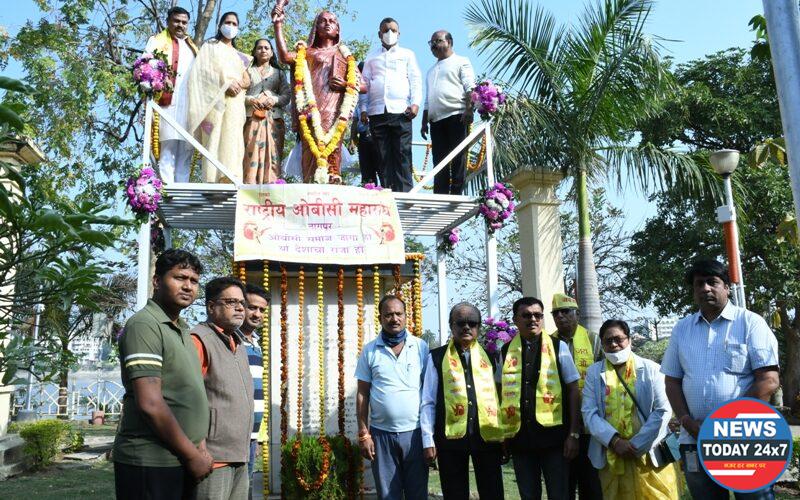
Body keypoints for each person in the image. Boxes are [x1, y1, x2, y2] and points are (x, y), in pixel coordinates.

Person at [661, 259, 780, 500]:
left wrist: (725, 423)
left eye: (712, 282)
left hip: (743, 437)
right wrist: (685, 419)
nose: (705, 288)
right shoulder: (682, 329)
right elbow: (672, 381)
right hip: (694, 438)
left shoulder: (750, 323)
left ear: (727, 287)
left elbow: (768, 380)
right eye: (699, 284)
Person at [113, 249, 212, 499]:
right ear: (157, 281)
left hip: (180, 458)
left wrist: (198, 444)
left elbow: (186, 393)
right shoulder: (145, 325)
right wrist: (192, 455)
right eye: (179, 278)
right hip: (150, 460)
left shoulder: (180, 329)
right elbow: (150, 403)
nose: (188, 286)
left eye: (194, 281)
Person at [582, 319, 679, 499]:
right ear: (602, 343)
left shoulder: (651, 369)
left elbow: (663, 410)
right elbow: (589, 413)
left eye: (619, 339)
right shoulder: (594, 373)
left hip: (649, 453)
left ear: (629, 340)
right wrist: (615, 441)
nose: (613, 344)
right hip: (612, 453)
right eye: (608, 340)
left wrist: (635, 445)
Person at [272, 1, 365, 183]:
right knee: (310, 152)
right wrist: (278, 24)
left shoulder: (344, 56)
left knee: (332, 150)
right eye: (323, 21)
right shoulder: (306, 53)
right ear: (316, 27)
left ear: (338, 29)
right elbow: (283, 57)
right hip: (310, 112)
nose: (328, 23)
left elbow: (363, 86)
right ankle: (309, 192)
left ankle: (332, 193)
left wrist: (346, 84)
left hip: (335, 112)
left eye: (332, 21)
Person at [500, 296, 581, 500]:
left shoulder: (558, 347)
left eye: (538, 315)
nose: (533, 319)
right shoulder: (505, 351)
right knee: (528, 495)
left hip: (554, 439)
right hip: (520, 440)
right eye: (526, 315)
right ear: (515, 319)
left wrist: (573, 434)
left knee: (559, 494)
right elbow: (499, 391)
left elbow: (573, 390)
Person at [421, 302, 504, 499]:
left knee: (492, 491)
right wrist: (428, 438)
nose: (466, 327)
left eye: (472, 323)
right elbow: (428, 401)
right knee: (454, 492)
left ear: (479, 327)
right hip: (450, 439)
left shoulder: (492, 356)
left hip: (487, 436)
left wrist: (504, 437)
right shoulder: (437, 357)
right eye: (460, 323)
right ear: (452, 326)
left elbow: (501, 397)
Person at [355, 295, 429, 499]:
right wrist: (364, 434)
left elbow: (429, 393)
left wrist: (429, 437)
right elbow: (362, 393)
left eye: (398, 314)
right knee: (388, 495)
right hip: (381, 435)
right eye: (388, 314)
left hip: (415, 434)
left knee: (417, 494)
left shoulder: (420, 347)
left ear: (406, 317)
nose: (394, 319)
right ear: (380, 318)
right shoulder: (370, 350)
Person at [191, 277, 255, 500]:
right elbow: (188, 400)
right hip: (213, 458)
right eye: (231, 302)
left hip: (240, 454)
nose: (239, 308)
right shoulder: (199, 340)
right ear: (211, 306)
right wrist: (199, 451)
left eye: (242, 303)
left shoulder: (238, 342)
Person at [187, 12, 251, 184]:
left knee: (233, 139)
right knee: (214, 138)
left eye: (234, 24)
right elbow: (200, 73)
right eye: (227, 22)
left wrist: (239, 84)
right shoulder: (210, 47)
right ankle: (212, 179)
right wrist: (225, 85)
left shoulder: (240, 55)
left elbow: (247, 79)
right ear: (220, 25)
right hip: (215, 102)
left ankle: (231, 178)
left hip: (235, 104)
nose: (231, 26)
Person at [550, 293, 602, 500]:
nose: (561, 316)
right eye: (556, 313)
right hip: (560, 421)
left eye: (566, 312)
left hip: (591, 423)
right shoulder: (548, 343)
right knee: (564, 482)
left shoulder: (593, 340)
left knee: (591, 482)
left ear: (577, 314)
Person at [360, 18, 422, 192]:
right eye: (386, 30)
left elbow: (415, 80)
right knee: (382, 154)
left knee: (402, 152)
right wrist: (363, 109)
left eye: (393, 30)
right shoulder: (371, 57)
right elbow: (364, 84)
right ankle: (388, 194)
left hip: (402, 111)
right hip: (377, 111)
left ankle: (405, 194)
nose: (389, 33)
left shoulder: (407, 54)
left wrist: (415, 103)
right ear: (380, 34)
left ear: (399, 34)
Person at [144, 7, 198, 184]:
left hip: (188, 105)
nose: (180, 25)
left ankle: (183, 191)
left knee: (186, 149)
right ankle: (167, 190)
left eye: (184, 22)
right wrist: (161, 77)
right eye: (176, 21)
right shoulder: (157, 41)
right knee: (167, 148)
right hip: (166, 102)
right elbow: (144, 67)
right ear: (168, 21)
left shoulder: (192, 47)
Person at [420, 30, 475, 195]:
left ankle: (456, 196)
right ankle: (440, 197)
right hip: (436, 121)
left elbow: (470, 87)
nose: (434, 46)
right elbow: (428, 100)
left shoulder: (461, 61)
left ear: (449, 42)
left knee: (458, 159)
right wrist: (423, 122)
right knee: (439, 162)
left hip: (457, 116)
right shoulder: (430, 71)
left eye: (438, 41)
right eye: (431, 43)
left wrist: (469, 110)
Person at [243, 39, 290, 184]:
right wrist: (252, 100)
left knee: (274, 155)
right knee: (250, 154)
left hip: (273, 120)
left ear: (271, 53)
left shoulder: (279, 73)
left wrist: (274, 100)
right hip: (251, 119)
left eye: (266, 48)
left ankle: (272, 188)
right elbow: (238, 95)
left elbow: (286, 96)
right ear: (254, 52)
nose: (263, 50)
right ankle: (249, 187)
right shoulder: (247, 71)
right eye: (259, 48)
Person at [240, 283, 270, 498]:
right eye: (252, 307)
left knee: (244, 489)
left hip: (250, 436)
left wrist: (258, 435)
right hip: (231, 436)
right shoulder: (230, 341)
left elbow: (256, 394)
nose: (257, 314)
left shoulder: (255, 343)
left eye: (262, 310)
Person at [350, 61, 381, 186]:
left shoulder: (377, 91)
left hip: (378, 136)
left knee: (382, 169)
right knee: (367, 174)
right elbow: (355, 119)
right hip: (363, 138)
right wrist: (352, 139)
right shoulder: (357, 95)